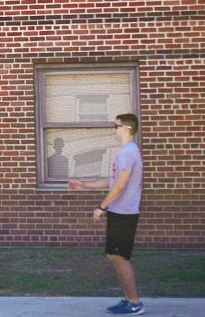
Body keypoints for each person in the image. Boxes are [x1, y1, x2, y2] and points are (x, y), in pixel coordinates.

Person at [69, 113, 144, 315]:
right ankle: (129, 300)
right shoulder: (124, 152)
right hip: (118, 211)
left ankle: (135, 302)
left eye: (116, 125)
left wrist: (101, 207)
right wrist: (84, 185)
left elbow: (120, 186)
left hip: (124, 213)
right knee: (114, 255)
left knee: (120, 256)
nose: (114, 129)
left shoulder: (128, 152)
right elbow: (111, 181)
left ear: (126, 128)